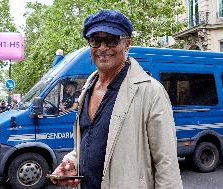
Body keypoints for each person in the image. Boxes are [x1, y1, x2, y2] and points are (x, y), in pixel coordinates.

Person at [51, 9, 182, 189]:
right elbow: (95, 140)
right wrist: (72, 161)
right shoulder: (87, 87)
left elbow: (166, 164)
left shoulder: (150, 91)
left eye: (111, 40)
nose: (103, 48)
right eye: (95, 41)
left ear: (126, 44)